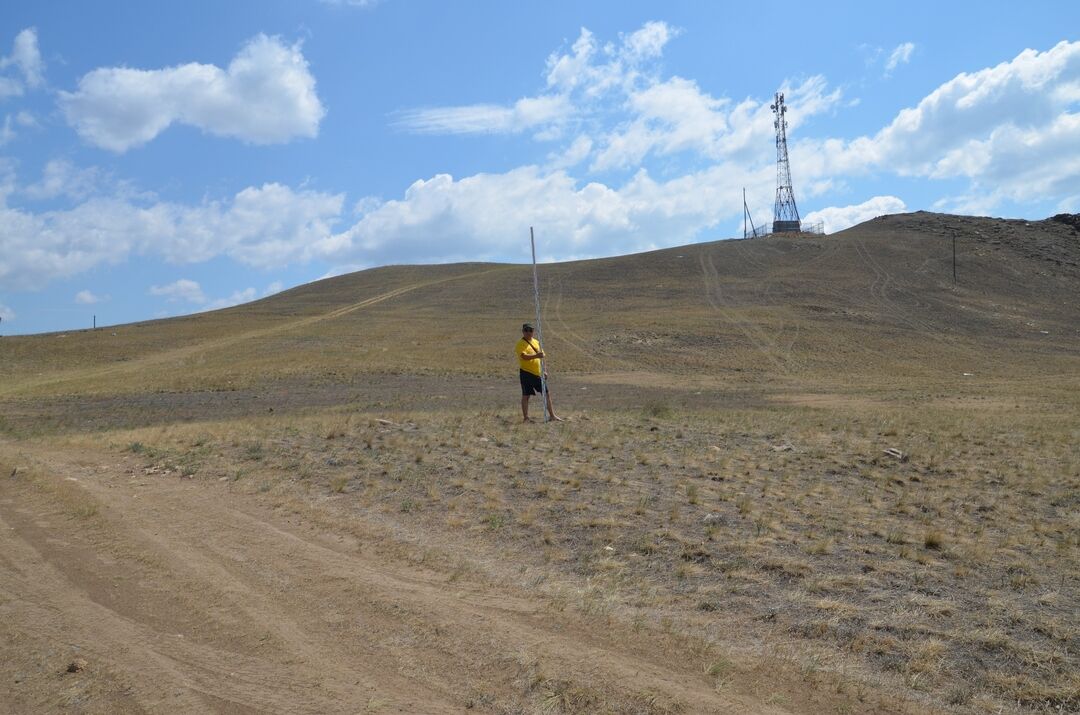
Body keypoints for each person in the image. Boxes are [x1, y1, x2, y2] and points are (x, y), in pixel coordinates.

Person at [516, 323, 562, 422]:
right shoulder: (520, 344)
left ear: (533, 332)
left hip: (538, 374)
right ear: (523, 331)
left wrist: (544, 370)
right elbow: (523, 356)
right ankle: (526, 418)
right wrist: (536, 356)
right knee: (526, 395)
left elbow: (542, 358)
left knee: (546, 393)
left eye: (530, 330)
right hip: (526, 373)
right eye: (526, 330)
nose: (528, 332)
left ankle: (552, 416)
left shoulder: (536, 342)